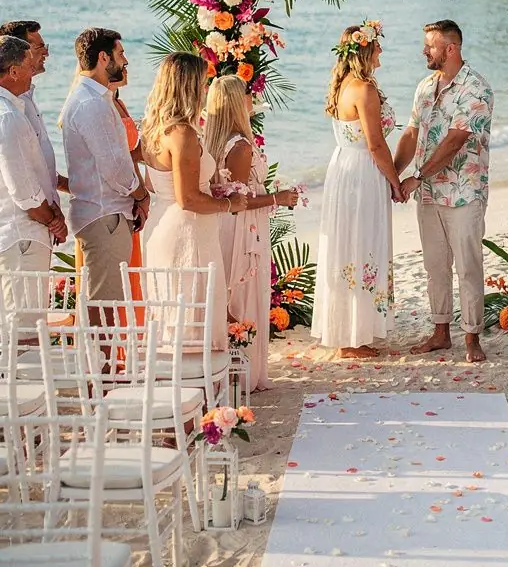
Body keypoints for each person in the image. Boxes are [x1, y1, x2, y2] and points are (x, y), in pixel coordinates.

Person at [395, 20, 493, 364]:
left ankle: (472, 336)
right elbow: (411, 133)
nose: (424, 51)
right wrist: (395, 174)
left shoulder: (476, 89)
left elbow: (454, 142)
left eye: (430, 46)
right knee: (435, 266)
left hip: (463, 193)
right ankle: (440, 332)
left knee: (467, 266)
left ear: (450, 49)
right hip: (428, 194)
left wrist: (416, 177)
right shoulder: (425, 86)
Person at [311, 21, 400, 358]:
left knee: (351, 246)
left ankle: (351, 331)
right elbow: (376, 145)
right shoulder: (364, 89)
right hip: (362, 172)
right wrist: (395, 181)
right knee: (361, 245)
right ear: (365, 49)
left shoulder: (343, 85)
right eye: (377, 45)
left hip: (344, 169)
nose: (381, 51)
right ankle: (351, 338)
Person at [140, 53, 240, 350]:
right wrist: (229, 204)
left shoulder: (152, 128)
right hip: (188, 231)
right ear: (189, 86)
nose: (206, 89)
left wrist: (211, 192)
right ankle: (196, 385)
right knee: (193, 306)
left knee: (171, 308)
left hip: (161, 224)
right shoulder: (182, 134)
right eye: (203, 82)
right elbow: (188, 199)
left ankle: (177, 383)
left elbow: (153, 184)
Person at [205, 74, 298, 389]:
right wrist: (279, 198)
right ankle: (243, 373)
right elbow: (241, 200)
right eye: (246, 94)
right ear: (235, 103)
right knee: (244, 293)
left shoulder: (215, 142)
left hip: (224, 225)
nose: (251, 99)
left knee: (232, 292)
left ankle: (230, 370)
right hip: (244, 226)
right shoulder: (241, 147)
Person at [62, 28, 150, 304]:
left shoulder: (96, 99)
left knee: (107, 304)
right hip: (105, 216)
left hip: (107, 214)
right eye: (120, 53)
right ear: (103, 57)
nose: (125, 61)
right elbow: (116, 169)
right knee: (105, 308)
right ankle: (101, 350)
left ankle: (104, 349)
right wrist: (142, 196)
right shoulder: (91, 103)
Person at [0, 36, 66, 313]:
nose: (33, 71)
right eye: (28, 65)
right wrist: (54, 220)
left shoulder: (15, 110)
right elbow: (24, 190)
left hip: (20, 236)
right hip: (21, 237)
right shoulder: (8, 117)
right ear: (13, 71)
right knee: (24, 332)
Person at [0, 18, 67, 204]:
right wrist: (49, 217)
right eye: (39, 47)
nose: (46, 52)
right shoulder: (10, 107)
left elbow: (41, 165)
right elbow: (20, 171)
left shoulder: (26, 96)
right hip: (28, 218)